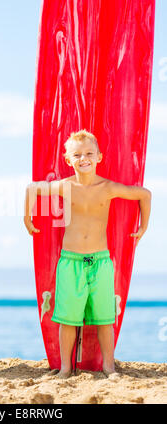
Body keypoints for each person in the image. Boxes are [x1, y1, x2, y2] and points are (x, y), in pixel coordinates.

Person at [24, 129, 151, 377]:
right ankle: (66, 368)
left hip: (100, 261)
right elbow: (32, 189)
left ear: (99, 157)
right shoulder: (65, 186)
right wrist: (26, 218)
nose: (84, 158)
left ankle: (109, 367)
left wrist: (143, 226)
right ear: (67, 159)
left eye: (89, 153)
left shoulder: (107, 187)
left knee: (105, 317)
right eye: (77, 154)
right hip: (70, 261)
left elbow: (144, 194)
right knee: (68, 318)